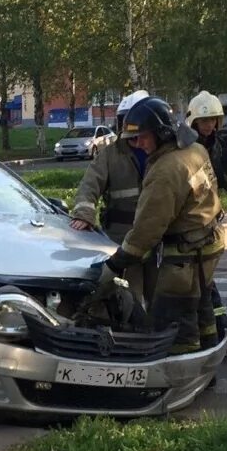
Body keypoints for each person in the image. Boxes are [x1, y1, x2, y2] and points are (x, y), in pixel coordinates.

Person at [101, 96, 225, 355]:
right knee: (202, 308)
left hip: (184, 257)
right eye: (133, 139)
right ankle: (208, 366)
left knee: (172, 318)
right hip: (210, 243)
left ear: (162, 133)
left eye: (142, 137)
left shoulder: (165, 170)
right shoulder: (194, 150)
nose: (138, 144)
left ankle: (180, 372)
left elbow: (147, 228)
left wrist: (115, 264)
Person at [70, 89, 157, 306]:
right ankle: (133, 337)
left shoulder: (161, 151)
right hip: (122, 240)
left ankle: (160, 335)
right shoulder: (111, 154)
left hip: (158, 238)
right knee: (130, 296)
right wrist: (84, 213)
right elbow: (90, 184)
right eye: (124, 122)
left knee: (161, 296)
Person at [185, 91, 227, 355]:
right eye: (204, 120)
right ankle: (223, 333)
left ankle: (221, 334)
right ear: (193, 121)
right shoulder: (184, 147)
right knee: (204, 282)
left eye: (213, 120)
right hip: (191, 223)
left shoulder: (219, 145)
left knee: (205, 282)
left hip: (210, 225)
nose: (209, 125)